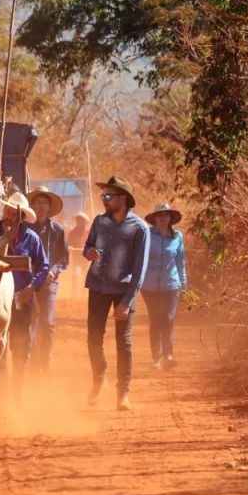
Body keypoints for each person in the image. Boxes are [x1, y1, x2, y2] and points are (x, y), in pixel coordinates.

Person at [83, 175, 150, 411]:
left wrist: (127, 301)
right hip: (98, 286)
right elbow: (87, 246)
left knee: (124, 342)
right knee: (93, 337)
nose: (104, 200)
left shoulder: (139, 228)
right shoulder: (100, 222)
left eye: (108, 196)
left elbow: (140, 269)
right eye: (103, 196)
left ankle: (123, 393)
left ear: (123, 198)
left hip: (124, 289)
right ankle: (99, 379)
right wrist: (89, 251)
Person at [0, 191, 49, 385]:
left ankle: (17, 387)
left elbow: (43, 266)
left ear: (22, 217)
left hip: (20, 299)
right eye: (7, 212)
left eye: (14, 214)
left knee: (20, 347)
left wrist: (32, 288)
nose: (9, 217)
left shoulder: (31, 238)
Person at [26, 186, 69, 373]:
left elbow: (64, 258)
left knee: (48, 322)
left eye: (45, 203)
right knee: (29, 322)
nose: (41, 206)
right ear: (32, 205)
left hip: (50, 282)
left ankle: (45, 357)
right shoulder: (25, 229)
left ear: (49, 206)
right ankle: (29, 358)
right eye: (38, 202)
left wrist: (53, 271)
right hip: (27, 282)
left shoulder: (57, 230)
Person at [141, 202, 188, 370]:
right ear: (154, 218)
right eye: (159, 215)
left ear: (170, 218)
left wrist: (184, 283)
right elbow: (141, 259)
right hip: (149, 286)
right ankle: (156, 358)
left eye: (166, 215)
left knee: (168, 319)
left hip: (171, 284)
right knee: (155, 320)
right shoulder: (147, 235)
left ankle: (168, 355)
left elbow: (180, 261)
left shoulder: (177, 237)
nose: (162, 218)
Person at [67, 212, 90, 296]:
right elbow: (69, 244)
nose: (78, 221)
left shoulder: (89, 232)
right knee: (76, 274)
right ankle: (74, 294)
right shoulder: (73, 232)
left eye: (80, 219)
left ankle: (84, 293)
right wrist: (70, 247)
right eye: (77, 219)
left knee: (86, 275)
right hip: (76, 257)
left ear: (84, 221)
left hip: (87, 258)